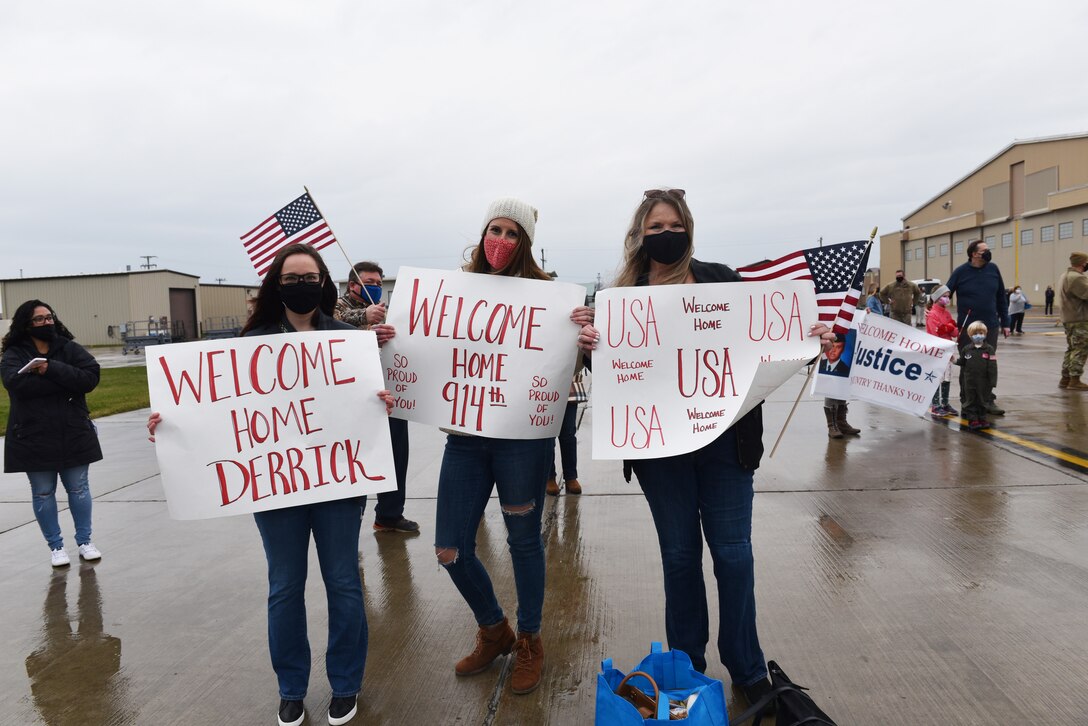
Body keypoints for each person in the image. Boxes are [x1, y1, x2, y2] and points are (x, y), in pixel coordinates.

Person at [576, 188, 835, 710]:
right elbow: (601, 374)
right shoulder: (622, 296)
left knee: (734, 554)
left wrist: (810, 338)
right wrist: (587, 350)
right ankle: (687, 662)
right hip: (659, 450)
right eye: (654, 228)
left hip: (726, 444)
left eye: (673, 225)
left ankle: (746, 664)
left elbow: (766, 338)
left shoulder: (724, 282)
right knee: (679, 557)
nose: (664, 235)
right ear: (640, 236)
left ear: (688, 229)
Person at [148, 244, 395, 726]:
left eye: (309, 277)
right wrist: (171, 423)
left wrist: (378, 400)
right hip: (276, 486)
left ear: (323, 282)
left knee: (344, 583)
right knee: (284, 586)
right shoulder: (250, 343)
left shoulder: (350, 340)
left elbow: (365, 404)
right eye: (291, 277)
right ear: (276, 284)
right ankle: (291, 689)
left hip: (338, 483)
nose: (301, 285)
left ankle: (346, 684)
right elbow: (220, 414)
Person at [410, 197, 593, 696]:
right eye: (496, 229)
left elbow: (563, 374)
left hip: (521, 445)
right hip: (466, 442)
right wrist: (388, 332)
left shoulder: (549, 298)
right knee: (449, 548)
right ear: (482, 232)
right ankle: (495, 629)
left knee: (523, 541)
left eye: (514, 234)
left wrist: (580, 342)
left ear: (527, 242)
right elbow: (423, 349)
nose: (502, 241)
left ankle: (530, 639)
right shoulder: (453, 292)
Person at [2, 300, 104, 568]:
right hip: (32, 436)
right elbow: (16, 384)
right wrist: (65, 384)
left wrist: (50, 369)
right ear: (26, 324)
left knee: (79, 489)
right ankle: (56, 547)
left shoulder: (68, 347)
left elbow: (90, 377)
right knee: (43, 493)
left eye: (49, 317)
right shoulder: (14, 353)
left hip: (73, 432)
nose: (47, 322)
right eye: (39, 319)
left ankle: (85, 541)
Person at [334, 260, 418, 533]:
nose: (375, 288)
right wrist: (364, 324)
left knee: (396, 455)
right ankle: (349, 522)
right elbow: (328, 327)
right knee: (355, 459)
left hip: (387, 392)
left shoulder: (387, 312)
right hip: (351, 398)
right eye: (369, 283)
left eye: (379, 284)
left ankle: (390, 514)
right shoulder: (337, 307)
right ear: (353, 285)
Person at [946, 240, 1009, 416]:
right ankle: (967, 400)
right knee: (969, 365)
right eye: (985, 250)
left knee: (988, 364)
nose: (988, 253)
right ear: (974, 254)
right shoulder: (961, 272)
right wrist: (934, 310)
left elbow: (1001, 297)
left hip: (991, 325)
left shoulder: (993, 269)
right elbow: (945, 293)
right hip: (969, 328)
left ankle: (988, 400)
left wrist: (1006, 322)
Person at [545, 362, 587, 496]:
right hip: (543, 385)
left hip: (568, 381)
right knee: (547, 435)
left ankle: (571, 477)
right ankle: (549, 477)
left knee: (568, 434)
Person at [956, 321, 997, 430]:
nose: (978, 335)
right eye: (975, 333)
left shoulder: (989, 349)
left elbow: (993, 366)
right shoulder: (967, 349)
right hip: (970, 381)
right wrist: (953, 360)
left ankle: (982, 418)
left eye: (981, 333)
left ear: (985, 334)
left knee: (983, 401)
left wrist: (993, 381)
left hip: (984, 382)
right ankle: (973, 420)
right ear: (970, 335)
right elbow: (962, 362)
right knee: (971, 401)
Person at [925, 285, 959, 416]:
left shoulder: (946, 313)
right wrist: (948, 328)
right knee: (937, 377)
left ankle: (945, 403)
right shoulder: (932, 314)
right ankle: (935, 404)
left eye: (948, 296)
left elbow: (954, 331)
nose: (947, 299)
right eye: (944, 296)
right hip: (938, 351)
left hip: (949, 349)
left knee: (947, 377)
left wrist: (949, 328)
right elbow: (936, 333)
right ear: (937, 298)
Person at [1059, 252, 1088, 390]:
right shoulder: (1076, 278)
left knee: (1072, 348)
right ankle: (1075, 380)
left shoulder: (1065, 276)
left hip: (1070, 318)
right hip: (1079, 319)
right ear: (1082, 263)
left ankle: (1065, 378)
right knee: (1080, 349)